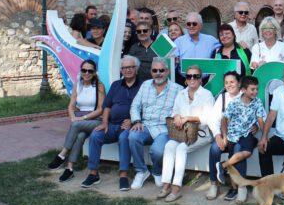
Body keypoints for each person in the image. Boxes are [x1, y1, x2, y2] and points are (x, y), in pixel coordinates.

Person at [81, 56, 142, 189]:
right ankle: (93, 173)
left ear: (136, 69)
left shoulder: (143, 86)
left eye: (131, 67)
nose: (128, 70)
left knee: (124, 137)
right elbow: (107, 106)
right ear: (121, 70)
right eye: (125, 68)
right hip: (112, 124)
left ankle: (123, 175)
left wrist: (133, 120)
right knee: (96, 135)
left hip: (128, 126)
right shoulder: (116, 85)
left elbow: (147, 108)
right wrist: (104, 122)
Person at [123, 58, 183, 189]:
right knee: (133, 136)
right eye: (155, 70)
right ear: (151, 72)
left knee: (158, 151)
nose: (158, 73)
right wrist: (137, 121)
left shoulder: (178, 89)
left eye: (161, 70)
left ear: (167, 71)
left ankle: (156, 172)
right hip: (146, 125)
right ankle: (141, 171)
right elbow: (135, 106)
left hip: (165, 129)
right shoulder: (145, 85)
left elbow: (182, 110)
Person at [158, 65, 214, 202]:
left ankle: (176, 188)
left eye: (196, 76)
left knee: (181, 148)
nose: (192, 79)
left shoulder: (207, 95)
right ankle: (166, 184)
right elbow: (174, 111)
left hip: (201, 133)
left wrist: (189, 118)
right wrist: (177, 116)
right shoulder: (181, 94)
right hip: (182, 132)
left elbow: (208, 119)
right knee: (169, 145)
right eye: (189, 76)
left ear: (201, 79)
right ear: (186, 79)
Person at [47, 59, 105, 182]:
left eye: (90, 71)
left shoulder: (99, 86)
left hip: (95, 119)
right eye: (84, 70)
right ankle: (70, 169)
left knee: (75, 126)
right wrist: (72, 116)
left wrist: (81, 119)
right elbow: (71, 104)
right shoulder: (78, 84)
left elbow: (100, 109)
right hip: (80, 120)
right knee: (80, 136)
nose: (87, 73)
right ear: (81, 71)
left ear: (95, 72)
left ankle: (62, 154)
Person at [218, 76, 266, 202]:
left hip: (247, 134)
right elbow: (224, 120)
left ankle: (223, 166)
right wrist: (224, 136)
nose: (255, 92)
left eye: (257, 89)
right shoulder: (234, 103)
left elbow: (261, 121)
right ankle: (237, 188)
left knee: (247, 152)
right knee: (236, 154)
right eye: (252, 89)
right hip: (233, 135)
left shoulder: (257, 102)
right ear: (244, 90)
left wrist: (263, 137)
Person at [207, 71, 243, 200]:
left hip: (240, 138)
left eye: (232, 82)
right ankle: (213, 184)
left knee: (238, 150)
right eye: (226, 82)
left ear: (239, 83)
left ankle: (236, 187)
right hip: (224, 137)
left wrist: (255, 125)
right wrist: (217, 136)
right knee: (214, 149)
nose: (229, 85)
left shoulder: (246, 96)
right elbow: (213, 119)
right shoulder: (222, 98)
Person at [174, 12, 221, 79]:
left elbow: (225, 48)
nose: (191, 26)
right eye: (188, 24)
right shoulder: (178, 42)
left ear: (201, 25)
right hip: (185, 81)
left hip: (206, 82)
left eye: (194, 24)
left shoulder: (211, 40)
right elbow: (172, 62)